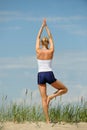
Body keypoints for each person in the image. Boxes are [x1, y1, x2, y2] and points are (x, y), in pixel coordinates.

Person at [36, 19, 68, 123]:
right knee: (64, 89)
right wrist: (47, 27)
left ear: (41, 43)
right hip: (49, 74)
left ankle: (47, 120)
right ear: (48, 43)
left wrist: (42, 26)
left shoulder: (38, 50)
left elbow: (38, 37)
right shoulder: (51, 51)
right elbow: (51, 37)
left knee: (43, 99)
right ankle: (52, 97)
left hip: (40, 74)